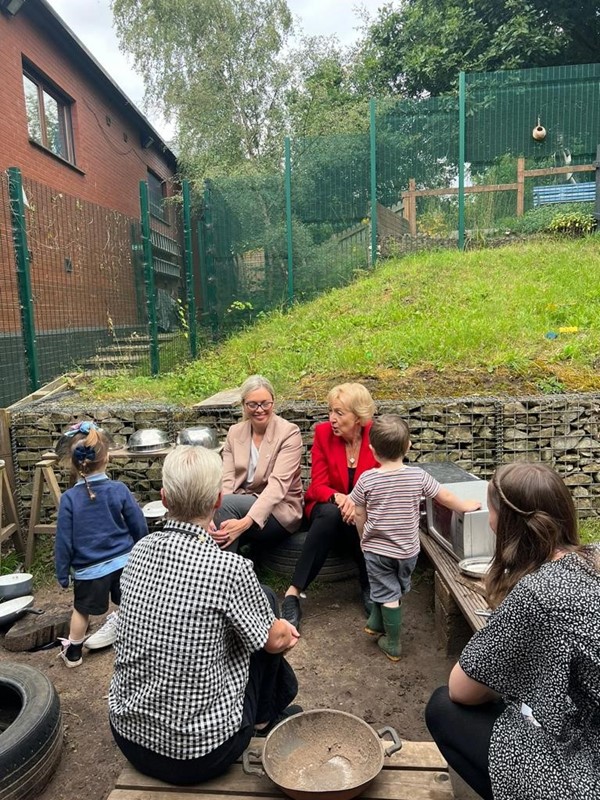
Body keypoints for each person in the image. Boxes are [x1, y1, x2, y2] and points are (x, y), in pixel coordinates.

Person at [109, 445, 300, 785]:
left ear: (164, 499)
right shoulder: (230, 569)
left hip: (129, 737)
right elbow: (274, 642)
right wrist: (283, 630)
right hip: (201, 755)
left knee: (257, 605)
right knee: (266, 610)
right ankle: (261, 721)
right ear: (217, 501)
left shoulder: (137, 552)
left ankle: (267, 713)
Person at [425, 462, 600, 800]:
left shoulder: (537, 593)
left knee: (442, 706)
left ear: (503, 523)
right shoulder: (593, 558)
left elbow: (462, 689)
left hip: (589, 768)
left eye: (491, 511)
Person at [351, 414, 481, 661]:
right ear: (408, 446)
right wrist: (465, 506)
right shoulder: (417, 476)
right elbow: (444, 496)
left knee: (386, 591)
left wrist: (362, 536)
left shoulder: (367, 479)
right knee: (393, 587)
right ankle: (377, 622)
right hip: (409, 550)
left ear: (371, 450)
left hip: (378, 550)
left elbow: (358, 511)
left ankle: (393, 644)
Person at [281, 383, 378, 630]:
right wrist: (339, 497)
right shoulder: (323, 433)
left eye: (339, 413)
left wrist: (355, 501)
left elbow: (381, 481)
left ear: (358, 417)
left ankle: (368, 584)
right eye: (330, 412)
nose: (332, 419)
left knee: (357, 514)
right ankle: (293, 593)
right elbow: (317, 486)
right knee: (332, 513)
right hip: (326, 507)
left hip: (361, 511)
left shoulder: (375, 435)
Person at [54, 420, 148, 668]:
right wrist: (144, 548)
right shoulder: (118, 489)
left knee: (81, 611)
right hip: (125, 562)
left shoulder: (68, 499)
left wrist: (62, 573)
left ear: (73, 465)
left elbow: (63, 540)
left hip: (89, 570)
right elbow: (137, 523)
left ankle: (73, 652)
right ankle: (139, 643)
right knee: (132, 604)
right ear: (106, 459)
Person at [211, 375, 303, 562]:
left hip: (279, 509)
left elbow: (277, 486)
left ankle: (223, 579)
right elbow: (226, 480)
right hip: (240, 503)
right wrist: (212, 515)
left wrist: (245, 522)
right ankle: (229, 574)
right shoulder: (235, 433)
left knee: (225, 507)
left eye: (265, 404)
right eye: (252, 405)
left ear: (273, 403)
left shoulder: (289, 432)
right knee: (218, 512)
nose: (259, 410)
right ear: (244, 405)